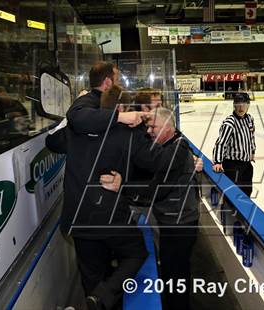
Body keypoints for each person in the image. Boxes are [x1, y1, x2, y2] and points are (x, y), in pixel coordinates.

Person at [46, 65, 160, 310]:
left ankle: (97, 299)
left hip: (79, 218)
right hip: (109, 218)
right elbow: (153, 166)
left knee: (92, 277)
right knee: (135, 254)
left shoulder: (76, 129)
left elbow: (54, 140)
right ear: (121, 107)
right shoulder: (127, 131)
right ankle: (102, 297)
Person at [100, 107, 200, 310]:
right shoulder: (171, 144)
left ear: (167, 127)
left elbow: (158, 190)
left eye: (153, 127)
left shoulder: (178, 150)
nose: (149, 131)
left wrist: (123, 186)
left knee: (176, 274)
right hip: (174, 222)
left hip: (180, 225)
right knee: (173, 271)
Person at [212, 92, 256, 197]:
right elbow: (221, 143)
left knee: (246, 193)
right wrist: (217, 162)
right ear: (234, 105)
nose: (241, 107)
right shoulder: (230, 123)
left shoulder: (250, 119)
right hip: (233, 165)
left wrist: (252, 151)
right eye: (238, 104)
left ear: (248, 105)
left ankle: (243, 212)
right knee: (233, 195)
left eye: (244, 104)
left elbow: (251, 136)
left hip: (246, 165)